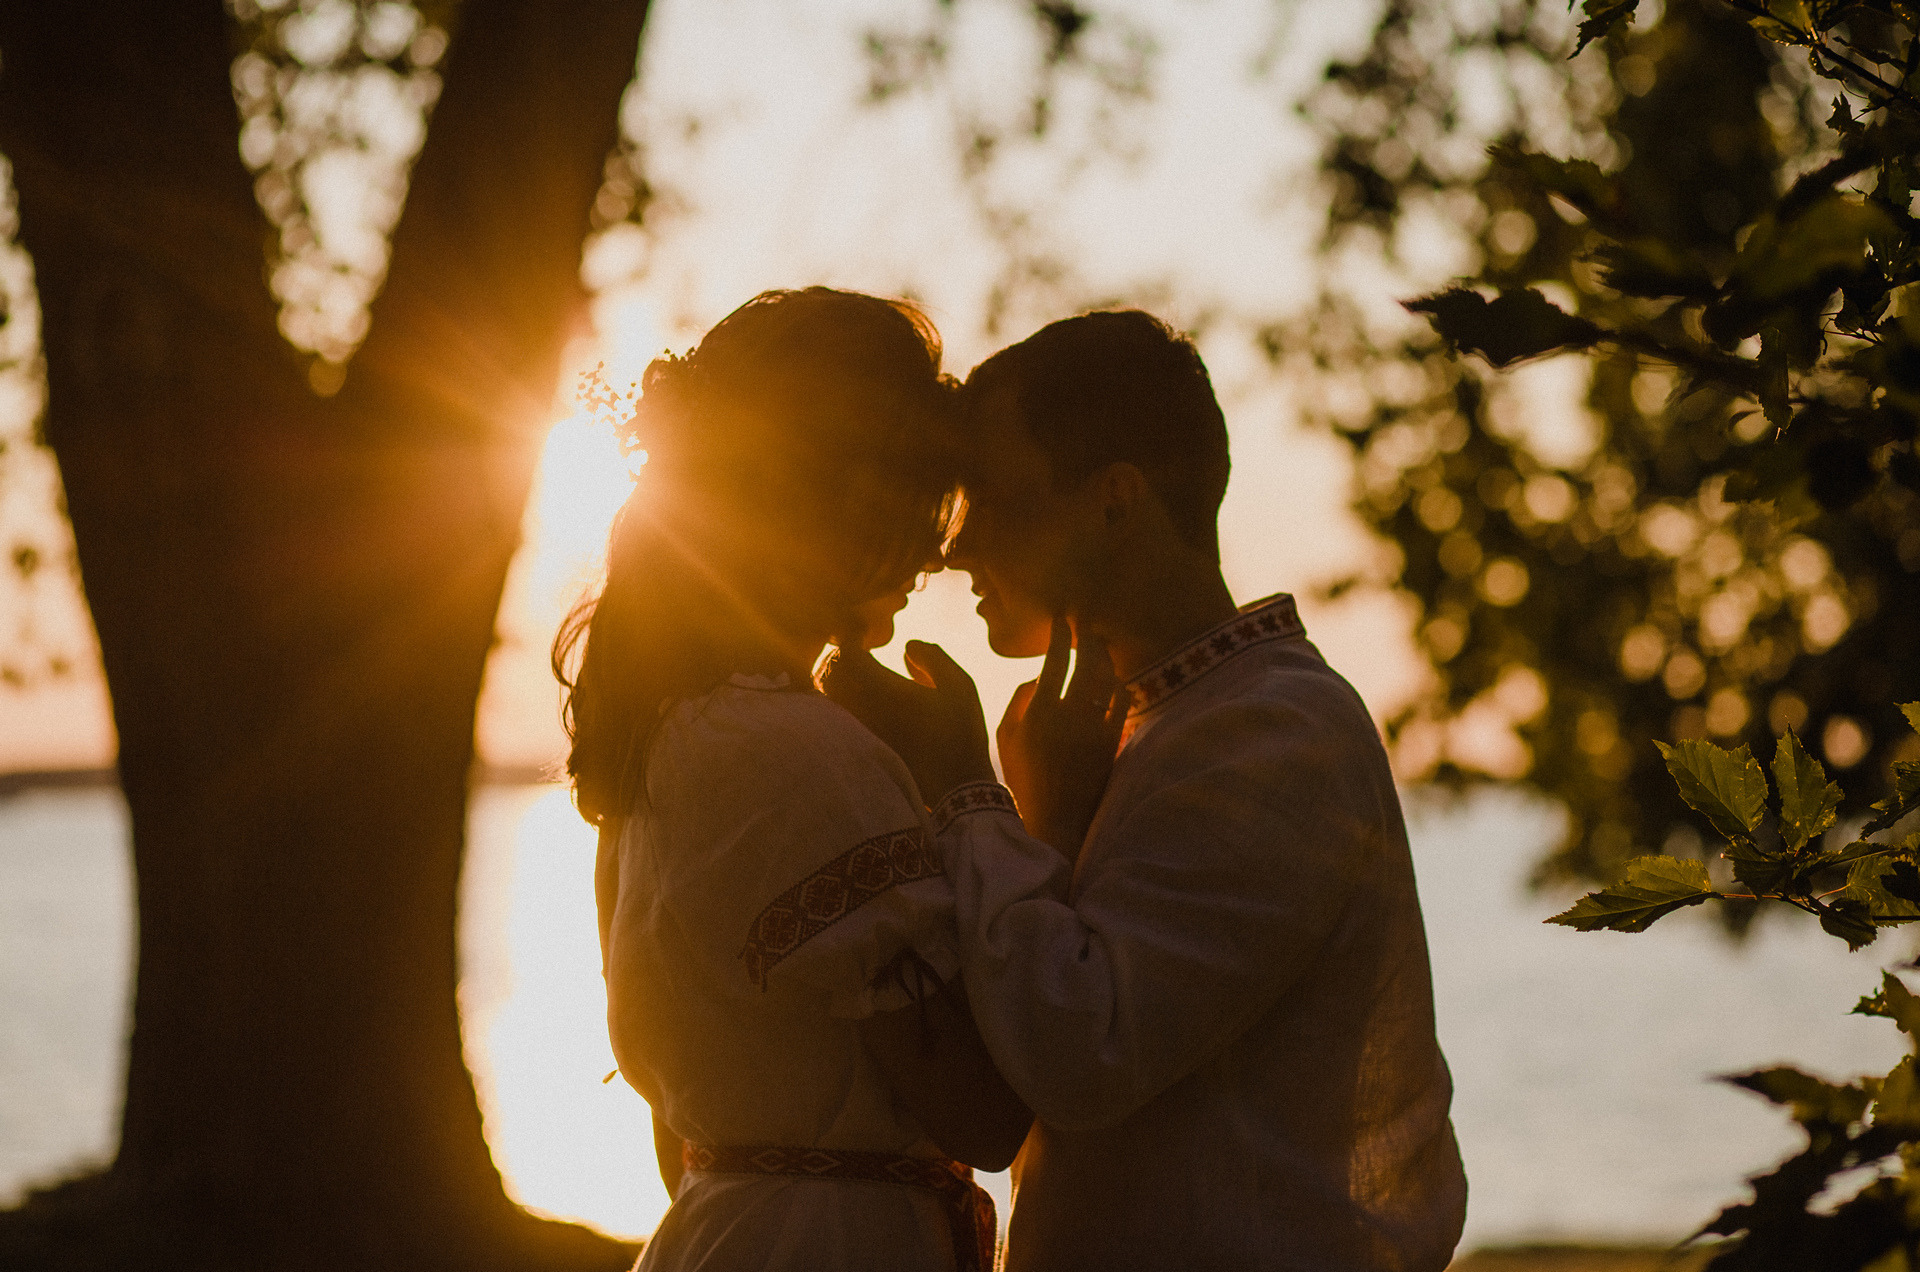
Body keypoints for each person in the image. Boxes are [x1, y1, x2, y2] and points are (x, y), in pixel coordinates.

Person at [826, 310, 1468, 1271]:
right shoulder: (1141, 728)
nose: (956, 549)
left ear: (1115, 501)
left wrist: (965, 793)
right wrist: (1045, 823)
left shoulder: (1272, 734)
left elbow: (1085, 1052)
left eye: (992, 500)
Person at [553, 288, 1030, 1272]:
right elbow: (984, 1116)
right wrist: (967, 787)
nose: (939, 547)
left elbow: (669, 1128)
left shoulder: (669, 734)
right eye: (919, 490)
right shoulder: (800, 757)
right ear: (833, 496)